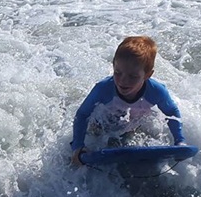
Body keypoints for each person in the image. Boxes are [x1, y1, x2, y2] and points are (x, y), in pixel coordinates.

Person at [70, 36, 185, 166]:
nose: (123, 81)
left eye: (133, 76)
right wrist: (78, 146)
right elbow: (82, 114)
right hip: (101, 127)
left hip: (132, 126)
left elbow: (171, 112)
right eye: (118, 73)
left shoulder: (156, 91)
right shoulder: (103, 89)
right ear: (113, 66)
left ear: (147, 75)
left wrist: (179, 141)